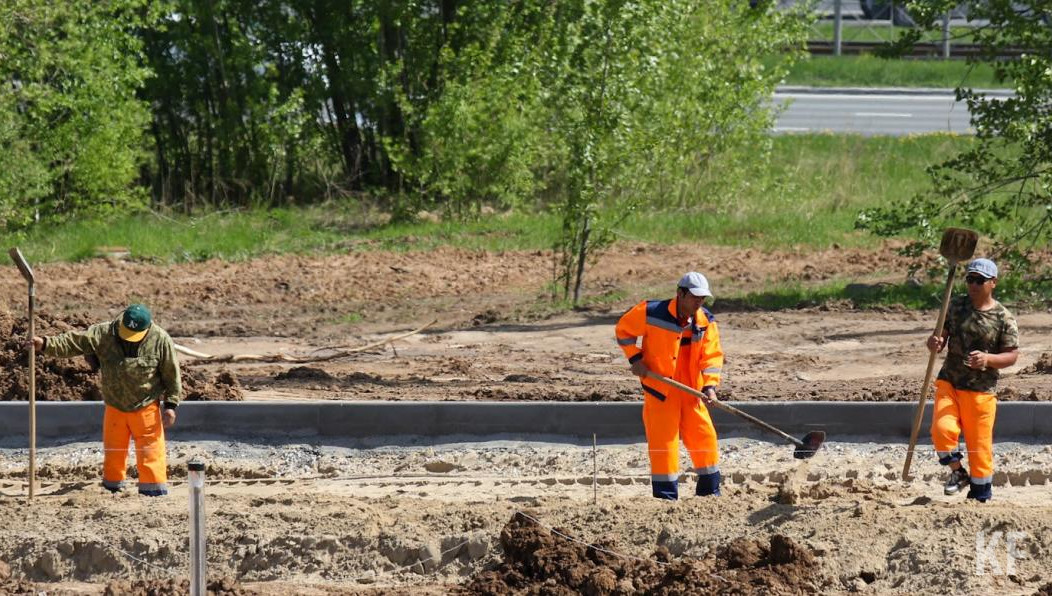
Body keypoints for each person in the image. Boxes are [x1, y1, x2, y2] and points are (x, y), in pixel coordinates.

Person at [32, 304, 181, 496]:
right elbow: (73, 342)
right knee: (114, 452)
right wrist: (44, 344)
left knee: (150, 453)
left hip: (145, 408)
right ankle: (113, 487)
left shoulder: (160, 340)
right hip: (115, 407)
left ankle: (153, 491)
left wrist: (170, 406)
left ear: (146, 329)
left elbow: (172, 375)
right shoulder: (103, 333)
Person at [614, 272, 724, 499]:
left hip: (693, 393)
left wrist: (710, 386)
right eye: (695, 297)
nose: (699, 302)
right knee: (664, 447)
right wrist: (636, 359)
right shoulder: (651, 312)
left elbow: (711, 357)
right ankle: (665, 498)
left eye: (702, 298)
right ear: (680, 293)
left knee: (705, 439)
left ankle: (709, 493)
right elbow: (623, 331)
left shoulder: (706, 321)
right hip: (661, 393)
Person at [926, 258, 1018, 502]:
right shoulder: (956, 306)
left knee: (979, 449)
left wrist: (987, 359)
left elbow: (1012, 356)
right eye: (970, 279)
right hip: (950, 382)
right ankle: (958, 473)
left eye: (980, 280)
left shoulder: (1003, 318)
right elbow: (940, 338)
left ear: (993, 283)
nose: (973, 285)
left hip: (980, 391)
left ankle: (980, 497)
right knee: (941, 430)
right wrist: (934, 342)